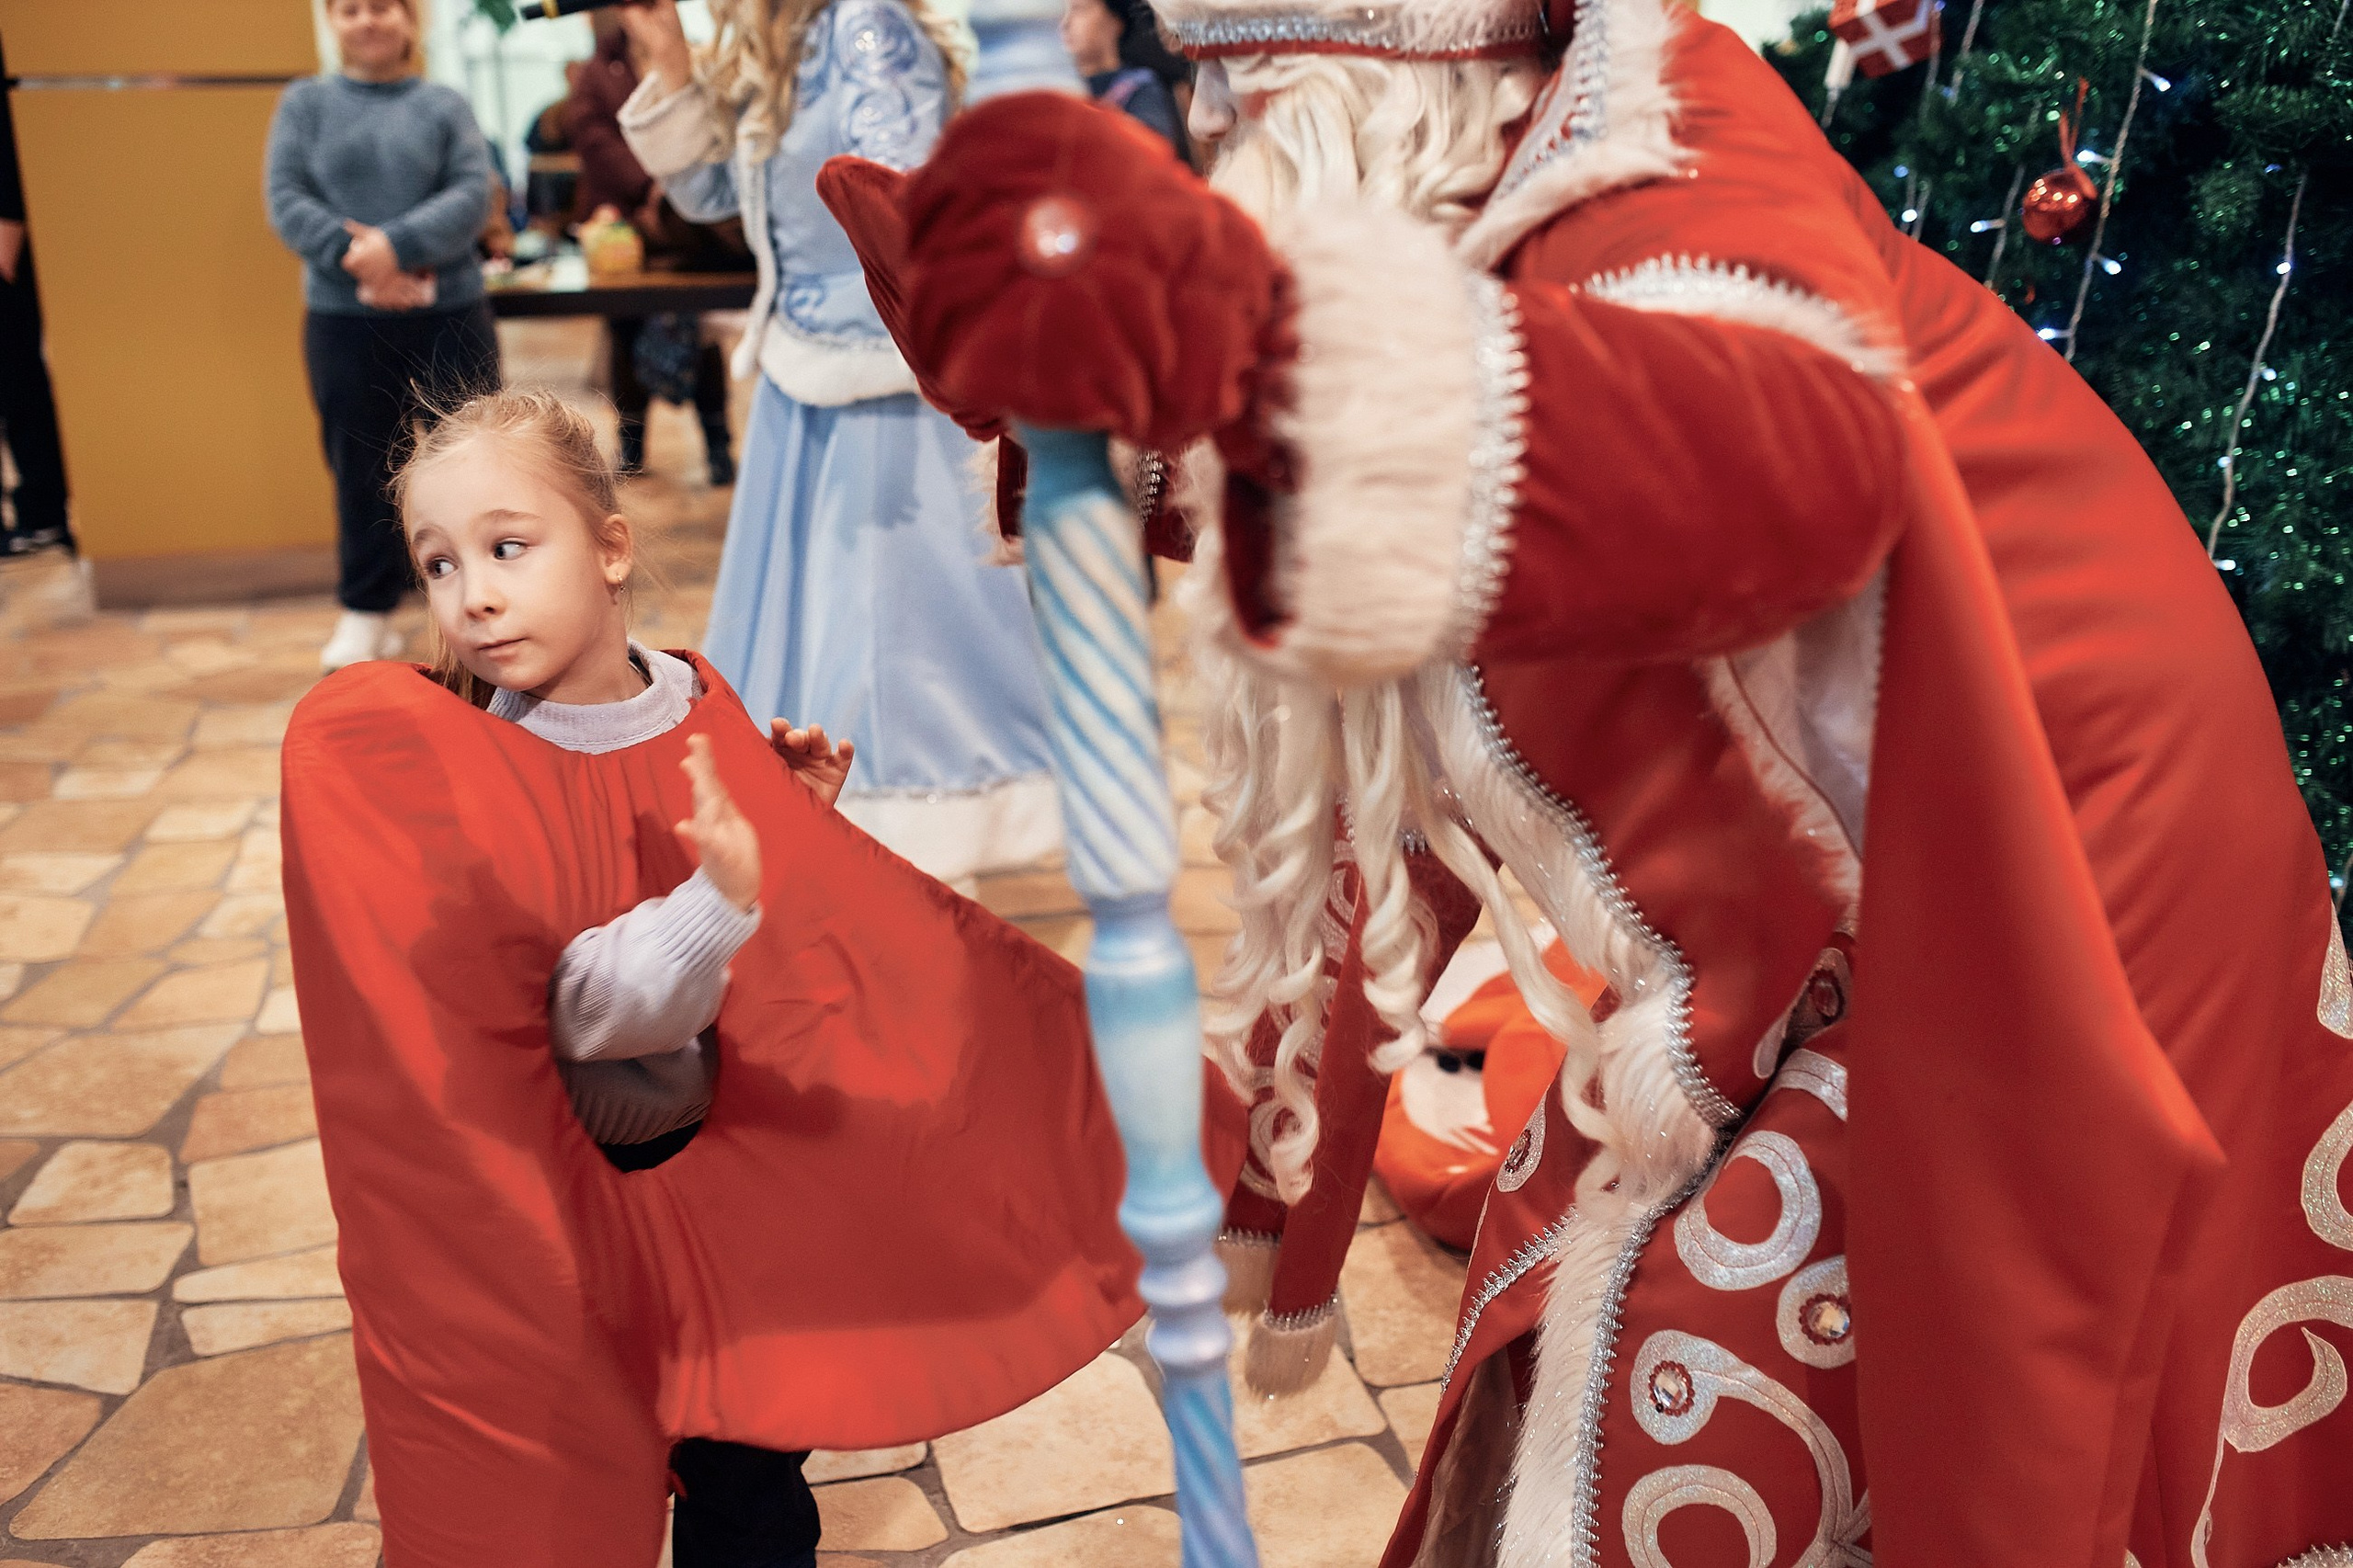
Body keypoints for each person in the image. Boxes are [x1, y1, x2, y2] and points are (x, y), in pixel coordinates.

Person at [838, 0, 2353, 1556]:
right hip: (1852, 862)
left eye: (1253, 85)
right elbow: (1452, 484)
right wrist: (1108, 412)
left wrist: (1241, 342)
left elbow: (1774, 460)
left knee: (1763, 1383)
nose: (1221, 130)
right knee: (1602, 1283)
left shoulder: (1664, 126)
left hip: (2055, 849)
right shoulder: (1487, 171)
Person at [278, 385, 1204, 1567]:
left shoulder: (693, 694)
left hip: (734, 1183)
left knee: (753, 1480)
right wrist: (719, 899)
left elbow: (771, 936)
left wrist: (792, 823)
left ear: (611, 549)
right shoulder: (479, 763)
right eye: (440, 564)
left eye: (508, 547)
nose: (476, 594)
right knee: (604, 1455)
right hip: (591, 1188)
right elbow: (579, 1012)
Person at [612, 0, 1063, 889]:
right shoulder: (791, 37)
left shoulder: (867, 25)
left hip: (880, 378)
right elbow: (716, 197)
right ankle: (852, 838)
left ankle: (913, 850)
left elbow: (900, 205)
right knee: (823, 617)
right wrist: (667, 57)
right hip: (812, 371)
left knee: (894, 629)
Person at [266, 0, 500, 674]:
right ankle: (367, 609)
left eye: (382, 7)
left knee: (474, 462)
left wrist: (393, 246)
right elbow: (286, 198)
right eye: (350, 9)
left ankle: (485, 600)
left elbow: (471, 193)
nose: (367, 21)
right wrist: (360, 259)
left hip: (450, 314)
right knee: (360, 466)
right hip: (342, 319)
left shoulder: (445, 105)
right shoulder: (304, 104)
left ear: (409, 19)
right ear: (332, 21)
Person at [567, 13, 739, 485]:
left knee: (702, 335)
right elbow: (594, 140)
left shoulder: (694, 50)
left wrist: (685, 184)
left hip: (691, 230)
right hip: (626, 227)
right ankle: (632, 445)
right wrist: (652, 184)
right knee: (625, 333)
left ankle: (718, 446)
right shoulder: (598, 70)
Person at [0, 62, 74, 558]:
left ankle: (43, 511)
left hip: (9, 245)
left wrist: (7, 230)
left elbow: (9, 141)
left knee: (17, 377)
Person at [1061, 0, 1188, 157]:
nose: (1065, 23)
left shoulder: (1141, 89)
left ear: (1115, 22)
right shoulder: (1066, 90)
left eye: (1079, 10)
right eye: (1064, 12)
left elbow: (1151, 158)